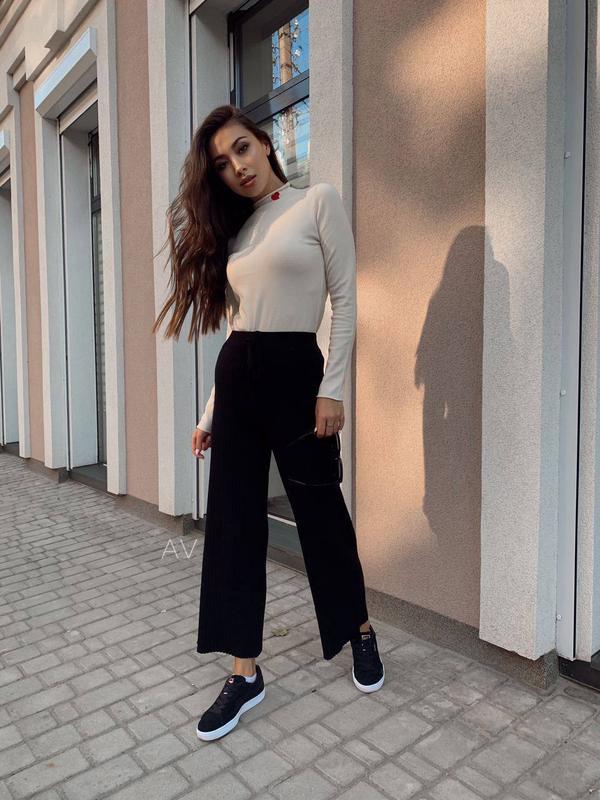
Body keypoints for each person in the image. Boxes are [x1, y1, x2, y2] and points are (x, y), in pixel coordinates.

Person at [152, 104, 384, 742]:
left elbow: (346, 299)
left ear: (264, 142)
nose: (237, 167)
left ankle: (359, 629)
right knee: (233, 522)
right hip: (239, 377)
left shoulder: (316, 203)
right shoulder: (239, 232)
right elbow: (236, 324)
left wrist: (332, 389)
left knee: (320, 510)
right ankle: (244, 671)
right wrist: (210, 413)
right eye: (222, 164)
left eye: (242, 149)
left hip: (297, 373)